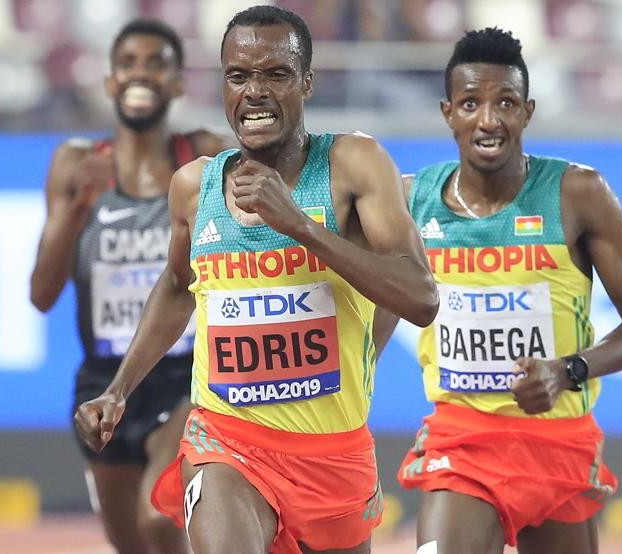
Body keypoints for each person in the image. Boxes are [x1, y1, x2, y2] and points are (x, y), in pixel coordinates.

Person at [74, 5, 439, 554]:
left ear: (307, 82)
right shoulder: (194, 186)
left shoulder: (353, 164)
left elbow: (421, 297)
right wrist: (118, 389)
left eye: (276, 74)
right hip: (228, 441)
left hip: (332, 454)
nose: (255, 92)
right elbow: (176, 287)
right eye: (239, 76)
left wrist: (299, 225)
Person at [388, 28, 622, 553]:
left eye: (506, 103)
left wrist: (567, 370)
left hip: (558, 443)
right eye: (471, 103)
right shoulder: (411, 200)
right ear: (448, 113)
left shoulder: (578, 194)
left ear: (527, 112)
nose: (488, 120)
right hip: (462, 442)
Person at [29, 18, 232, 554]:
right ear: (110, 82)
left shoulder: (204, 157)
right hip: (106, 380)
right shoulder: (77, 164)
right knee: (133, 544)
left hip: (189, 377)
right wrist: (77, 208)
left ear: (178, 83)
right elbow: (42, 295)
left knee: (158, 518)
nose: (141, 74)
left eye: (156, 64)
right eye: (128, 64)